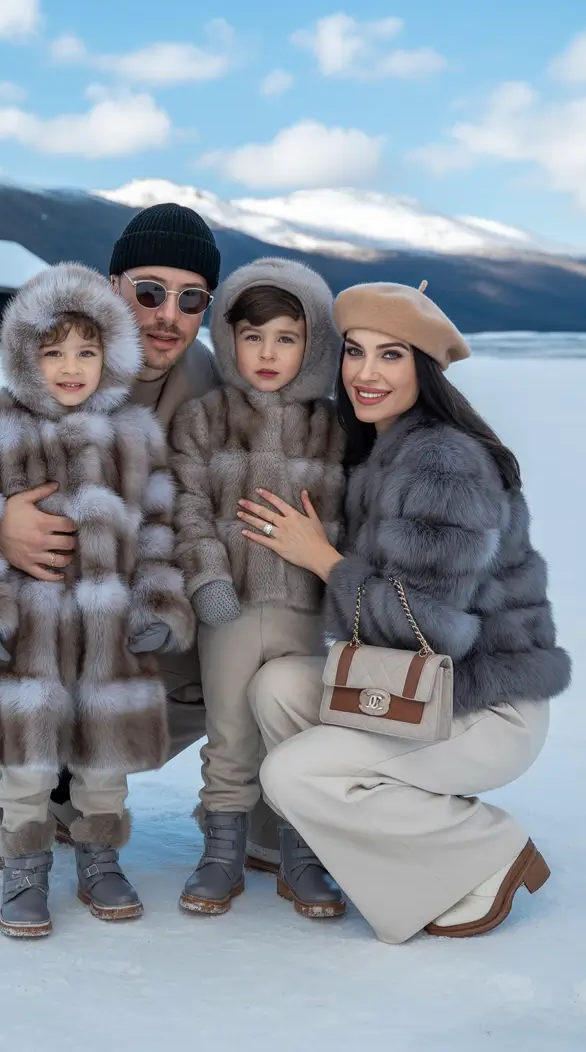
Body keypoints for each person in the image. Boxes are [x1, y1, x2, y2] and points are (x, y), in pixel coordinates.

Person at [0, 204, 282, 874]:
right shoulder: (65, 368)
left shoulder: (223, 386)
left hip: (150, 631)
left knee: (270, 635)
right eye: (149, 291)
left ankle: (253, 800)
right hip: (47, 637)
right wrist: (0, 525)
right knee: (4, 815)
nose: (168, 314)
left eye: (191, 298)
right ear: (114, 289)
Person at [236, 281, 572, 941]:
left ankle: (484, 852)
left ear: (423, 368)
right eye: (354, 353)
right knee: (277, 686)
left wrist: (324, 560)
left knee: (293, 771)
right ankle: (334, 847)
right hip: (421, 690)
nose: (365, 373)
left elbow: (431, 626)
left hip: (483, 706)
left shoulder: (443, 463)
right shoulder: (378, 450)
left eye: (391, 356)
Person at [0, 261, 195, 936]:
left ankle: (101, 856)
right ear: (24, 356)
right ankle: (26, 864)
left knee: (104, 760)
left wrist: (160, 604)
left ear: (111, 354)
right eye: (52, 353)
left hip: (110, 638)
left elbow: (158, 530)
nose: (71, 367)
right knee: (30, 762)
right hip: (31, 636)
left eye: (86, 351)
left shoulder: (135, 434)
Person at [170, 258, 347, 916]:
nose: (267, 353)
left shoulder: (332, 428)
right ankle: (222, 852)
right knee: (231, 731)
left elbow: (352, 518)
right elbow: (185, 510)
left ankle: (302, 856)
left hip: (308, 612)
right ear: (229, 338)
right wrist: (208, 577)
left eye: (286, 338)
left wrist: (339, 579)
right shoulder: (205, 419)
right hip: (231, 611)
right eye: (252, 336)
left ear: (313, 344)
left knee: (299, 728)